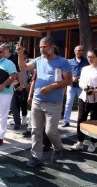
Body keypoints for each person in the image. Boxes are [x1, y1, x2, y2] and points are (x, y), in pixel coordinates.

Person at [17, 37, 72, 167]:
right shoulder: (38, 60)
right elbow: (23, 67)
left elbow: (68, 81)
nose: (42, 49)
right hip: (37, 101)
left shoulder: (62, 62)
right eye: (40, 47)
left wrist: (51, 87)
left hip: (54, 103)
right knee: (35, 130)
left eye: (44, 47)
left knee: (50, 131)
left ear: (52, 47)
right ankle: (36, 156)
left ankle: (58, 148)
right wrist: (20, 54)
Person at [70, 49, 97, 152]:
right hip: (84, 97)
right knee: (81, 119)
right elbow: (81, 82)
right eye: (88, 57)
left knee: (95, 120)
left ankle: (93, 143)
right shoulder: (85, 69)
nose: (89, 59)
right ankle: (79, 142)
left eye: (92, 57)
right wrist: (84, 86)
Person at [62, 45, 89, 127]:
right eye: (79, 50)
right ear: (75, 52)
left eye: (82, 50)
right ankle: (66, 120)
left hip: (82, 86)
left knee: (82, 104)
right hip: (71, 85)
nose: (81, 51)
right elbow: (65, 73)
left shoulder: (87, 61)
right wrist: (71, 78)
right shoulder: (70, 62)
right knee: (69, 103)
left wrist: (83, 78)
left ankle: (81, 121)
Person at [1, 43, 23, 130]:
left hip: (13, 84)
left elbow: (19, 72)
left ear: (7, 50)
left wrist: (21, 83)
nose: (0, 52)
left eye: (2, 50)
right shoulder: (1, 59)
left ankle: (17, 122)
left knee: (13, 104)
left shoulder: (14, 58)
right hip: (3, 83)